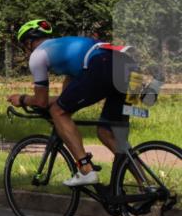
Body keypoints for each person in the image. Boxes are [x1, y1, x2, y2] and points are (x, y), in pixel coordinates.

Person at [7, 19, 137, 187]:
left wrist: (22, 99)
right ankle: (147, 184)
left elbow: (42, 101)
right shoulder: (69, 50)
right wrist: (55, 110)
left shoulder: (37, 56)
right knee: (107, 133)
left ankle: (85, 169)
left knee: (58, 112)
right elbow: (64, 100)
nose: (26, 51)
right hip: (128, 64)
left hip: (102, 64)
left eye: (24, 46)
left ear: (29, 42)